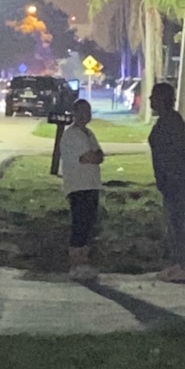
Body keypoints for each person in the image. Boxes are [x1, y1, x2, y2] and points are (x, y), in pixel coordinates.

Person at [149, 82, 185, 282]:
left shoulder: (172, 121)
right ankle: (178, 262)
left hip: (177, 179)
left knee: (176, 222)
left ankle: (184, 265)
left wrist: (170, 176)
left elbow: (174, 153)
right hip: (170, 180)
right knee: (171, 222)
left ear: (162, 99)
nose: (150, 100)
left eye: (153, 96)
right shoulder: (166, 120)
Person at [60, 99, 104, 280]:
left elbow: (99, 155)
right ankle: (75, 263)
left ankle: (84, 260)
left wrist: (95, 156)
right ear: (75, 113)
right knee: (80, 224)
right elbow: (89, 156)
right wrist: (94, 156)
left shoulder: (89, 133)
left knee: (88, 224)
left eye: (89, 111)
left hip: (92, 184)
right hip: (78, 186)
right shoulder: (72, 135)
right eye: (83, 111)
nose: (87, 114)